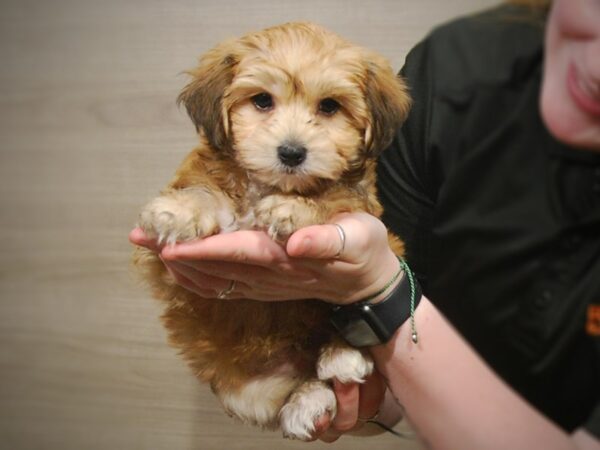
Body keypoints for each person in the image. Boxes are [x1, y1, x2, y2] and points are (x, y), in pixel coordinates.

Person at [130, 0, 600, 448]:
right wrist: (371, 399)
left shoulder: (353, 168)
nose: (292, 139)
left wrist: (377, 291)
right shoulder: (453, 67)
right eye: (262, 101)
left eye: (328, 107)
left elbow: (381, 257)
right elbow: (392, 374)